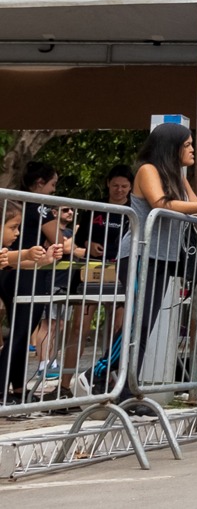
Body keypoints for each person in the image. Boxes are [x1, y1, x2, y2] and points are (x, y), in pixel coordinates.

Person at [115, 126, 197, 403]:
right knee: (138, 325)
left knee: (144, 324)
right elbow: (162, 203)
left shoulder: (177, 176)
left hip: (163, 258)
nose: (193, 149)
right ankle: (115, 386)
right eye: (188, 144)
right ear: (172, 147)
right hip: (140, 256)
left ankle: (126, 390)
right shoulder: (148, 170)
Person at [1, 165, 67, 403]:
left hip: (16, 272)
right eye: (52, 185)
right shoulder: (38, 206)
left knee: (19, 333)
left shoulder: (18, 202)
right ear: (39, 183)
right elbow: (58, 240)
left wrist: (34, 257)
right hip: (26, 279)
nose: (53, 190)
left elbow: (12, 259)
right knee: (20, 334)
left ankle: (17, 388)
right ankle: (2, 388)